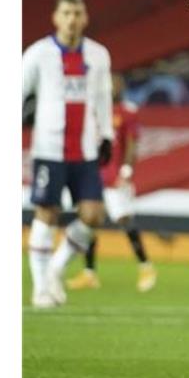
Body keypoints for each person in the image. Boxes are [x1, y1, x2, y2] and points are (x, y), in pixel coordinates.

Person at [22, 0, 115, 309]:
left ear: (85, 18)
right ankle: (40, 289)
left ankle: (54, 273)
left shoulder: (99, 55)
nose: (72, 19)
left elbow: (103, 98)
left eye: (77, 13)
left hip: (85, 148)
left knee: (93, 214)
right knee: (47, 213)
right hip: (49, 148)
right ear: (55, 17)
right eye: (66, 13)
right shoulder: (37, 54)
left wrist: (107, 135)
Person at [66, 73, 157, 293]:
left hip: (115, 177)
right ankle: (89, 273)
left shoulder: (127, 111)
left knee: (124, 219)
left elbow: (131, 144)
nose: (111, 89)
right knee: (88, 223)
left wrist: (126, 170)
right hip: (93, 176)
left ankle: (146, 267)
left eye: (115, 85)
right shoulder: (95, 111)